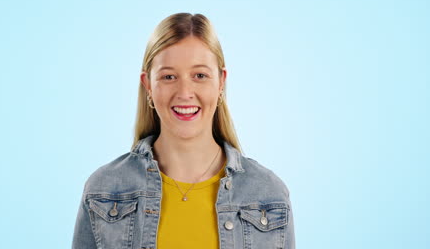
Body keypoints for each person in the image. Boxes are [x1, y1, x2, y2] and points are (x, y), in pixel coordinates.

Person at [72, 13, 295, 249]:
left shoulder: (269, 195)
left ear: (221, 82)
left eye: (200, 75)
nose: (185, 92)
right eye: (169, 77)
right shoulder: (104, 190)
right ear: (148, 85)